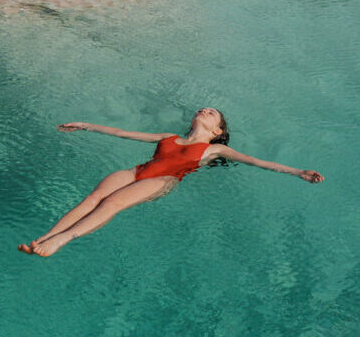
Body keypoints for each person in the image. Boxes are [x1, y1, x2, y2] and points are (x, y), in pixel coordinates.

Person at [17, 107, 323, 257]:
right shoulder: (169, 137)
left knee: (111, 203)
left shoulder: (215, 149)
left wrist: (298, 172)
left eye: (212, 113)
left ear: (217, 131)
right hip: (138, 171)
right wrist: (85, 125)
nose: (205, 110)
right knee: (92, 199)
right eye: (203, 109)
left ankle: (62, 240)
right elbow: (123, 133)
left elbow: (258, 161)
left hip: (163, 179)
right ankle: (44, 238)